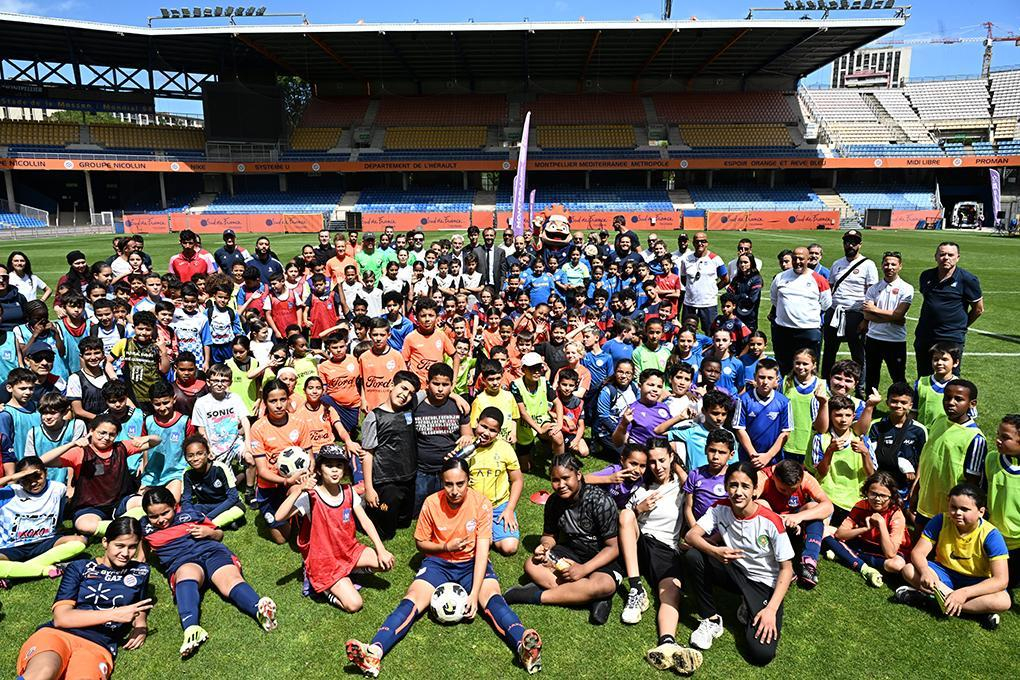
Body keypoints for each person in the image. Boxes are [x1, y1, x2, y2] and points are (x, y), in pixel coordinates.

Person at [346, 458, 542, 677]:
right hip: (438, 562)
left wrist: (474, 594)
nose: (455, 490)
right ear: (442, 482)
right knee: (412, 600)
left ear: (469, 481)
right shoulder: (431, 503)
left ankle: (524, 647)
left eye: (460, 484)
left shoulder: (482, 504)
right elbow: (420, 543)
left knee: (493, 599)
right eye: (449, 484)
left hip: (472, 563)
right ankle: (374, 652)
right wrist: (445, 545)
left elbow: (483, 551)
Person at [140, 486, 277, 658]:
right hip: (182, 561)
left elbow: (219, 535)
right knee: (186, 576)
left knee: (229, 581)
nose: (160, 519)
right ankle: (192, 629)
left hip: (210, 551)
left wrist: (209, 532)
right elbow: (142, 550)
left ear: (174, 506)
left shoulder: (191, 514)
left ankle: (259, 610)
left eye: (165, 513)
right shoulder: (143, 527)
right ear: (146, 514)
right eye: (153, 516)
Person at [683, 461, 794, 666]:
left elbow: (787, 570)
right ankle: (711, 619)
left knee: (761, 654)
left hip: (763, 585)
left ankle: (750, 605)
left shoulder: (770, 521)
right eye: (733, 485)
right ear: (726, 487)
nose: (738, 492)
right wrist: (715, 551)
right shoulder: (719, 508)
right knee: (693, 556)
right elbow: (691, 536)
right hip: (735, 571)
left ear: (755, 490)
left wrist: (770, 610)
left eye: (745, 486)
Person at [14, 517, 152, 680]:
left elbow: (138, 604)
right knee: (44, 672)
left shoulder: (140, 572)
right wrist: (114, 614)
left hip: (98, 645)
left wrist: (140, 624)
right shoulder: (80, 568)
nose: (125, 553)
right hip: (58, 634)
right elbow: (61, 618)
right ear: (105, 542)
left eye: (132, 547)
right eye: (119, 546)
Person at [612, 438, 703, 673]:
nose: (657, 467)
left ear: (671, 458)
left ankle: (667, 643)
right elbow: (627, 521)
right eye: (651, 462)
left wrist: (677, 467)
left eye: (662, 460)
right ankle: (636, 589)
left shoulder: (682, 487)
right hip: (640, 544)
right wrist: (637, 509)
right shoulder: (641, 488)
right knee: (625, 515)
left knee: (671, 592)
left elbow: (690, 482)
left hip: (667, 549)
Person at [504, 453, 623, 626]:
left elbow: (613, 548)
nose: (561, 485)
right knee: (531, 565)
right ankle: (591, 598)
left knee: (604, 585)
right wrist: (544, 547)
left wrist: (583, 569)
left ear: (579, 475)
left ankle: (533, 595)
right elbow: (550, 536)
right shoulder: (553, 502)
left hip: (601, 558)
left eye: (566, 478)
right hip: (571, 552)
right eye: (555, 480)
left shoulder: (601, 501)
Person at [275, 444, 394, 611]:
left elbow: (365, 521)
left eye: (339, 466)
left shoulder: (348, 492)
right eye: (329, 465)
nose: (335, 470)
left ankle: (348, 572)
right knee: (354, 604)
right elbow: (278, 517)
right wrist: (299, 489)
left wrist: (381, 549)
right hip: (324, 562)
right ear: (319, 469)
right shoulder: (311, 496)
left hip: (348, 551)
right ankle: (320, 586)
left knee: (385, 563)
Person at [895, 484, 1010, 630]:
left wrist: (964, 593)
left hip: (976, 582)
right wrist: (924, 571)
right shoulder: (940, 520)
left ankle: (932, 600)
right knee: (909, 569)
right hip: (944, 574)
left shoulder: (991, 535)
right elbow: (918, 553)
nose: (957, 513)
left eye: (964, 509)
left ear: (981, 512)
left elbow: (1001, 580)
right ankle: (976, 611)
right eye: (953, 507)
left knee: (1003, 601)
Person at [39, 414, 160, 537]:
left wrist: (147, 437)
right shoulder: (80, 452)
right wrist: (72, 444)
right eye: (102, 433)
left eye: (112, 435)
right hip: (90, 507)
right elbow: (42, 461)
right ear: (91, 431)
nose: (106, 438)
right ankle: (123, 526)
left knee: (144, 503)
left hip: (121, 502)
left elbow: (157, 441)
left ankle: (114, 526)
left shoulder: (121, 447)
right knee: (84, 525)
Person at [0, 457, 86, 587]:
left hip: (45, 542)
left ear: (45, 472)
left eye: (36, 476)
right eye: (26, 478)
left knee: (80, 542)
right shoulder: (9, 493)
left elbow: (59, 514)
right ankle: (44, 570)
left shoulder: (58, 489)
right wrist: (12, 477)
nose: (33, 482)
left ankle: (21, 571)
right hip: (12, 547)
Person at [914, 379, 987, 531]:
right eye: (947, 397)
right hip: (925, 501)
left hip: (950, 511)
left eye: (958, 399)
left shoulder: (975, 438)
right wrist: (917, 487)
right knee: (918, 545)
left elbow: (972, 482)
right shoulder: (939, 421)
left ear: (972, 403)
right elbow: (927, 456)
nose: (951, 403)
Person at [249, 379, 313, 544]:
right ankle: (286, 515)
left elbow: (310, 458)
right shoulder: (257, 428)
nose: (278, 405)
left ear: (289, 399)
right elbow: (262, 471)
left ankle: (300, 515)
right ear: (265, 402)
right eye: (273, 401)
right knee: (281, 539)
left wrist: (304, 476)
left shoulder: (299, 423)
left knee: (299, 491)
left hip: (294, 483)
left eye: (282, 399)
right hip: (269, 487)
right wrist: (285, 480)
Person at [823, 470, 910, 587]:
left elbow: (890, 553)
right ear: (866, 492)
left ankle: (844, 553)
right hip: (863, 544)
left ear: (891, 497)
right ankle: (848, 554)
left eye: (883, 496)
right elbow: (840, 534)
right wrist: (864, 529)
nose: (877, 499)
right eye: (873, 493)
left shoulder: (896, 515)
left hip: (886, 551)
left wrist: (881, 524)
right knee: (825, 529)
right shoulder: (862, 505)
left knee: (897, 564)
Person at [361, 371, 419, 540]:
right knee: (386, 533)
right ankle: (361, 509)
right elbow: (368, 454)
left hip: (408, 476)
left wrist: (457, 397)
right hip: (386, 479)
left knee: (405, 523)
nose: (405, 395)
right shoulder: (374, 417)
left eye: (410, 394)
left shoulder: (409, 409)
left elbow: (431, 390)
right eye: (403, 388)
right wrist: (369, 488)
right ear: (391, 385)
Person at [457, 408, 524, 556]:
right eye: (484, 426)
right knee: (480, 545)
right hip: (473, 507)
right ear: (476, 423)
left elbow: (517, 480)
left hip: (499, 506)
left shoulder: (504, 448)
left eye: (493, 430)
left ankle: (491, 530)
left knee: (509, 547)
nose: (486, 433)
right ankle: (486, 535)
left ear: (499, 432)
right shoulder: (465, 447)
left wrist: (509, 509)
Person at [914, 242, 983, 375]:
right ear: (936, 257)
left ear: (958, 257)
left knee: (950, 377)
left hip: (951, 337)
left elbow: (978, 309)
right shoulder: (926, 276)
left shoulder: (967, 279)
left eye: (950, 255)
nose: (946, 258)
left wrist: (961, 326)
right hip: (925, 335)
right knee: (924, 376)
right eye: (942, 254)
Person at [821, 230, 878, 385]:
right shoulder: (837, 264)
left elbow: (872, 294)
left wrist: (866, 320)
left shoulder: (868, 265)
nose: (850, 245)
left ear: (860, 244)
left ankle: (859, 387)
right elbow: (830, 287)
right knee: (829, 351)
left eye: (854, 242)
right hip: (835, 312)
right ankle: (825, 383)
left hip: (855, 314)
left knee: (858, 353)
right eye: (847, 242)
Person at [768, 247, 831, 375]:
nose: (797, 261)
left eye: (801, 258)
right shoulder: (780, 278)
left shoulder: (818, 279)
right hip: (783, 331)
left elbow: (826, 304)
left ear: (808, 260)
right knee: (785, 366)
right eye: (795, 258)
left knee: (808, 368)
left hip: (808, 331)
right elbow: (775, 299)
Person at [861, 251, 913, 394]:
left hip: (895, 340)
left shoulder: (907, 288)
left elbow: (899, 314)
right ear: (882, 265)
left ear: (900, 266)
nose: (889, 267)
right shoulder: (874, 288)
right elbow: (867, 314)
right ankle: (870, 406)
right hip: (874, 339)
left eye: (893, 264)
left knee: (898, 377)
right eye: (886, 264)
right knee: (871, 376)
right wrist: (895, 318)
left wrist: (875, 310)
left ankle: (902, 406)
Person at [733, 359, 791, 468]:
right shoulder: (744, 400)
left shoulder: (784, 402)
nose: (765, 382)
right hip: (748, 458)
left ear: (777, 380)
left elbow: (786, 433)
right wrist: (754, 456)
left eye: (770, 378)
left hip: (773, 460)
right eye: (762, 377)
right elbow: (739, 429)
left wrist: (768, 456)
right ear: (755, 377)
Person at [180, 435, 244, 528]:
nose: (195, 458)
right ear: (185, 458)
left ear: (207, 454)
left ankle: (208, 523)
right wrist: (189, 516)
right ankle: (221, 523)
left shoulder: (220, 468)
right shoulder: (187, 473)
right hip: (205, 506)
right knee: (190, 509)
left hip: (226, 504)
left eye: (200, 453)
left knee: (240, 509)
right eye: (190, 456)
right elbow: (186, 499)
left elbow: (233, 497)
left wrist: (209, 517)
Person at [987, 414, 1020, 589]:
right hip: (994, 536)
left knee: (1007, 585)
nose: (998, 440)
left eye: (1005, 437)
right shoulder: (991, 459)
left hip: (1018, 542)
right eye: (998, 435)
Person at [679, 232, 728, 334]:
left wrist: (714, 289)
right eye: (697, 241)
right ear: (693, 243)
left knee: (711, 333)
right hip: (689, 303)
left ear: (707, 243)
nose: (700, 244)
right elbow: (683, 278)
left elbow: (725, 279)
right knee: (686, 333)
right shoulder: (686, 259)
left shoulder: (715, 259)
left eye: (703, 241)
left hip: (708, 304)